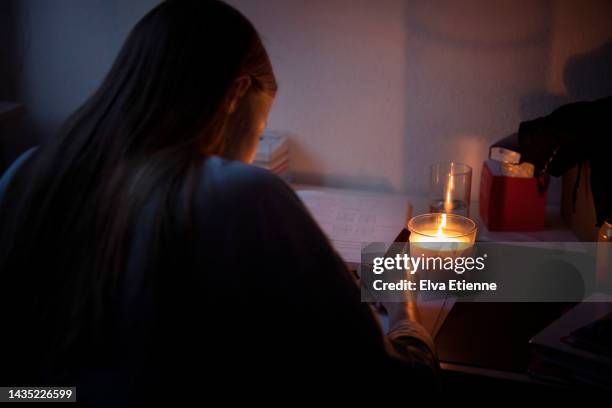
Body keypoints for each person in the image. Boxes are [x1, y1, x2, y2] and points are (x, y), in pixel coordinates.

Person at [0, 0, 437, 404]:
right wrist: (403, 307)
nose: (252, 152)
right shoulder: (240, 193)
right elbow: (391, 383)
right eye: (261, 124)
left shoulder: (23, 174)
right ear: (235, 94)